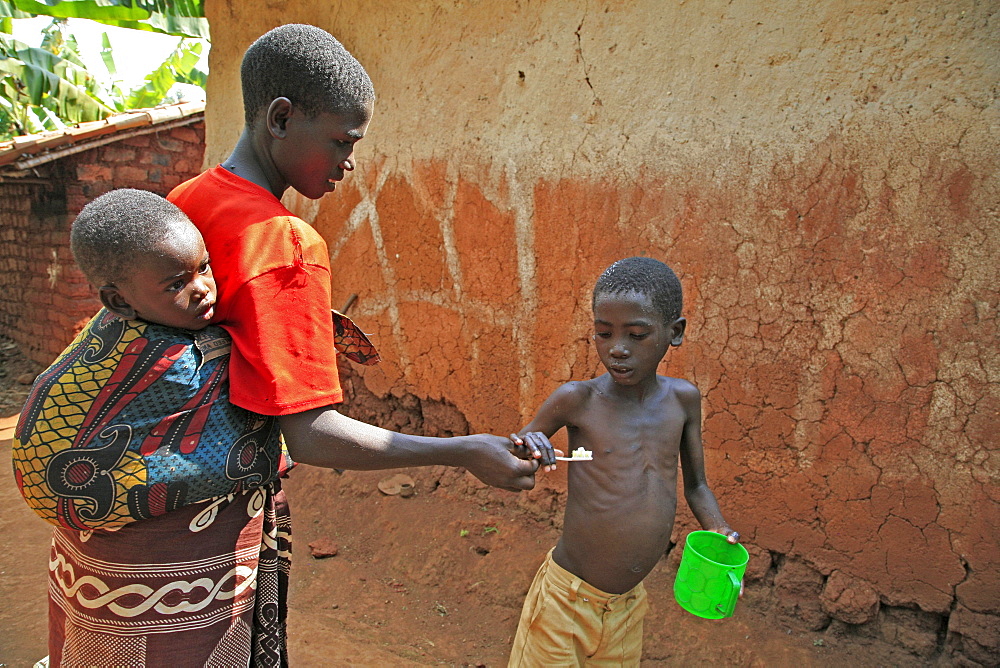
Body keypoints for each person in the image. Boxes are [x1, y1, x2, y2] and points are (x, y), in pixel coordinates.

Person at [12, 189, 295, 666]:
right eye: (175, 284)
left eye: (203, 268)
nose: (202, 288)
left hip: (95, 562)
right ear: (117, 302)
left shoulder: (120, 330)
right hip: (159, 573)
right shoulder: (171, 363)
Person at [506, 256, 739, 667]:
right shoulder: (578, 400)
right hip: (566, 602)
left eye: (637, 334)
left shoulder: (683, 400)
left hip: (628, 606)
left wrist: (718, 530)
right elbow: (515, 454)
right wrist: (532, 446)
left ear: (675, 332)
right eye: (603, 333)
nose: (617, 348)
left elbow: (697, 485)